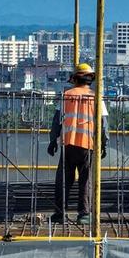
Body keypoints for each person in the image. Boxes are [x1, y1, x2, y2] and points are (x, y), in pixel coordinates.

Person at [47, 63, 109, 225]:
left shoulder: (66, 95)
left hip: (68, 144)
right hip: (88, 145)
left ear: (74, 79)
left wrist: (53, 140)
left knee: (63, 180)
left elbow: (57, 121)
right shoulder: (96, 97)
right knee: (86, 180)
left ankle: (60, 213)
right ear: (90, 79)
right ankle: (84, 214)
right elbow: (103, 124)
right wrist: (103, 143)